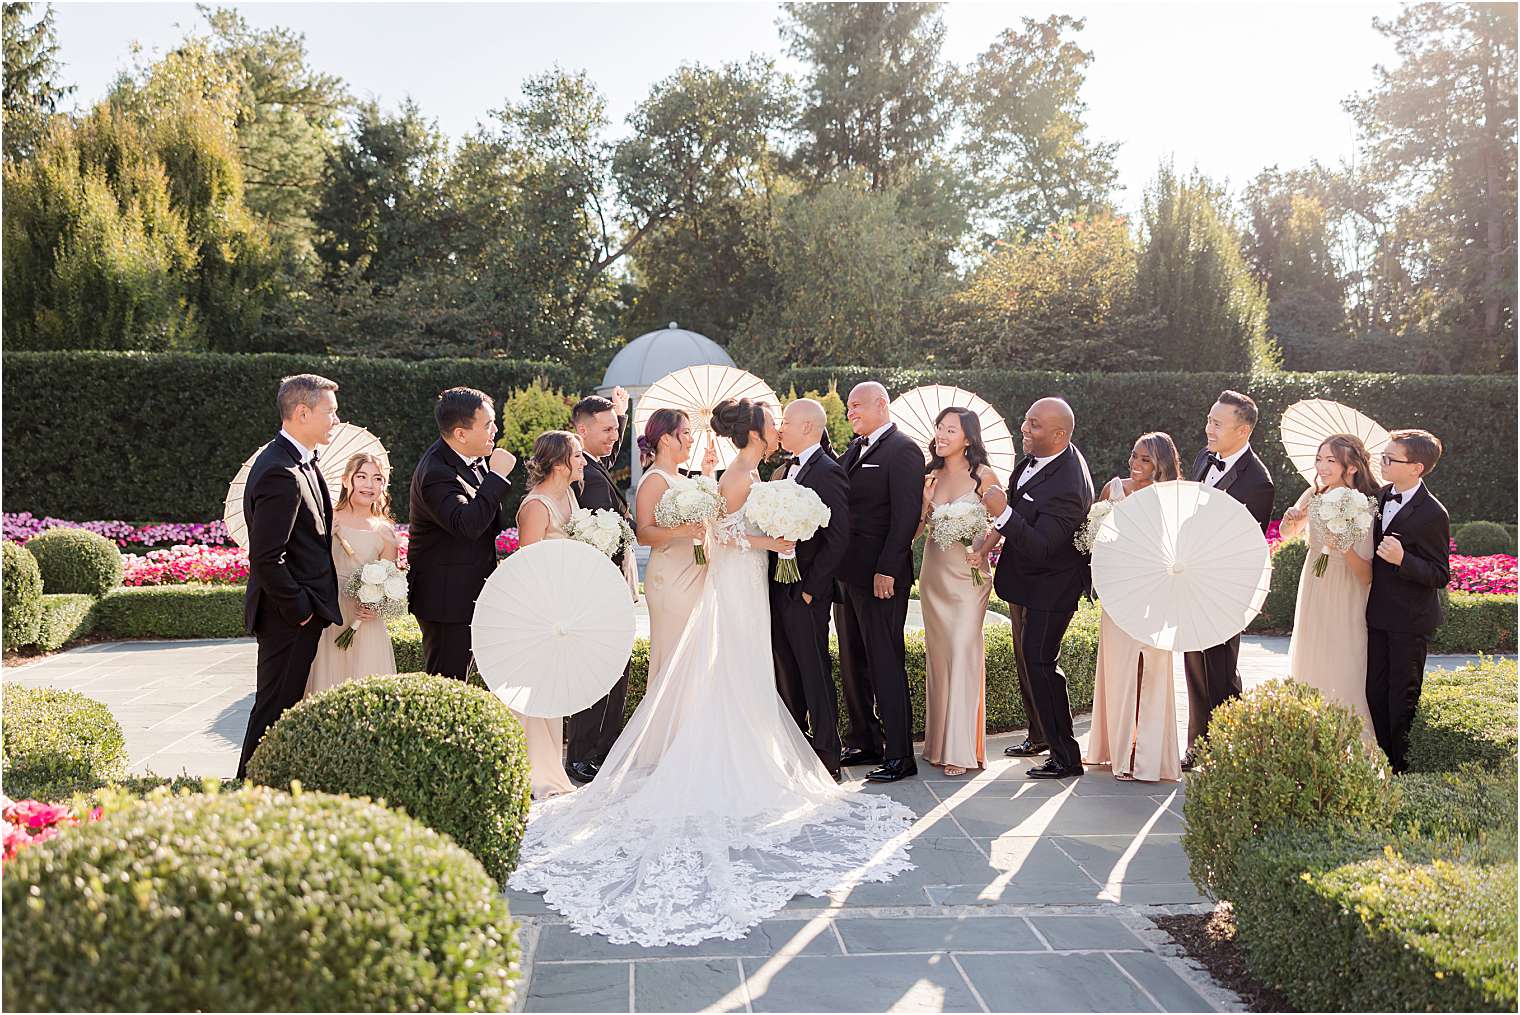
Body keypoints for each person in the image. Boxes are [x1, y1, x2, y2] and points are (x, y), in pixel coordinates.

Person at [509, 398, 914, 947]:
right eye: (770, 423)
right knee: (738, 669)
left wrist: (772, 539)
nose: (775, 430)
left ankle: (746, 752)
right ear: (754, 432)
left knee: (746, 671)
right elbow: (718, 534)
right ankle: (727, 761)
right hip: (740, 575)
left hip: (747, 580)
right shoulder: (741, 474)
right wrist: (770, 541)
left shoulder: (751, 470)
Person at [979, 397, 1094, 780]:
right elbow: (1023, 511)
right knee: (1031, 662)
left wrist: (1003, 512)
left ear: (1060, 434)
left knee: (1042, 664)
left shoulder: (1069, 483)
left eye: (1035, 424)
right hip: (1025, 581)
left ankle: (1066, 756)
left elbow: (1045, 546)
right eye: (1026, 420)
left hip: (1053, 586)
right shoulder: (1032, 459)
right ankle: (1041, 737)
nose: (1024, 429)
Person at [237, 374, 343, 778]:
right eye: (330, 412)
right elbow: (266, 556)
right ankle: (249, 788)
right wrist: (300, 609)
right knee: (273, 708)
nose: (335, 420)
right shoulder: (279, 470)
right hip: (287, 616)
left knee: (283, 706)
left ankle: (266, 787)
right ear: (302, 413)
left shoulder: (300, 460)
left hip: (299, 613)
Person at [836, 382, 925, 783]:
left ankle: (900, 755)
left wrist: (887, 568)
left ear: (880, 404)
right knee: (854, 660)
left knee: (885, 660)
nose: (850, 412)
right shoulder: (854, 449)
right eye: (848, 407)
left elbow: (905, 517)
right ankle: (865, 739)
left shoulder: (903, 450)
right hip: (848, 576)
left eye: (856, 405)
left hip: (880, 577)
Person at [1181, 390, 1274, 770]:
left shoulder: (1259, 482)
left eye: (1218, 424)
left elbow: (1245, 545)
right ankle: (1198, 744)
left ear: (1244, 429)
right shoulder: (1204, 459)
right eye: (1208, 420)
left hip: (1224, 588)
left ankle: (1226, 746)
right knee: (1194, 665)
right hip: (1192, 579)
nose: (1209, 429)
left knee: (1220, 669)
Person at [1084, 433, 1183, 783]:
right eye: (1133, 456)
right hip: (1117, 590)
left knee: (1150, 667)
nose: (1135, 465)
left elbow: (1177, 549)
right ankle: (1114, 747)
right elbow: (1095, 537)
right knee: (1119, 665)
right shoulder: (1113, 489)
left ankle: (1143, 749)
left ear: (1160, 465)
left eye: (1144, 460)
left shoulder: (1171, 498)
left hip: (1155, 590)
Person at [407, 388, 516, 680]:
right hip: (446, 601)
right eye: (488, 425)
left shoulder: (476, 459)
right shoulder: (436, 472)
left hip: (470, 594)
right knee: (446, 684)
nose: (496, 430)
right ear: (460, 433)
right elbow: (467, 525)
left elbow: (491, 523)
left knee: (461, 683)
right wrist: (498, 478)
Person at [1280, 435, 1379, 745]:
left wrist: (1344, 546)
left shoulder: (1362, 503)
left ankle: (1350, 743)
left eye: (1330, 461)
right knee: (1310, 654)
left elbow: (1366, 574)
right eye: (1319, 459)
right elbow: (1287, 533)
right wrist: (1292, 518)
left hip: (1345, 589)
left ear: (1351, 467)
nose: (1322, 466)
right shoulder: (1314, 493)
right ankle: (1310, 738)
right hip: (1314, 582)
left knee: (1342, 660)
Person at [771, 398, 851, 781]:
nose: (779, 428)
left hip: (805, 592)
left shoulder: (828, 472)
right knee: (787, 669)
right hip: (778, 589)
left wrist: (811, 589)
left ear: (807, 427)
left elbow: (838, 538)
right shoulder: (786, 470)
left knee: (814, 670)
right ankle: (796, 747)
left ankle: (827, 754)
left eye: (785, 421)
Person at [917, 407, 998, 778]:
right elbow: (918, 532)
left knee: (964, 652)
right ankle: (938, 742)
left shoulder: (983, 476)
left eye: (951, 429)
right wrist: (923, 504)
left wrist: (982, 550)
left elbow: (1003, 521)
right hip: (934, 574)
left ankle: (962, 749)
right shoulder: (930, 476)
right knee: (940, 658)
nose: (942, 434)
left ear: (968, 437)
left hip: (969, 578)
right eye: (939, 427)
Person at [1366, 429, 1450, 774]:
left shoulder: (1433, 513)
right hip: (1378, 615)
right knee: (1374, 695)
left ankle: (1403, 772)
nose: (1382, 463)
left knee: (1402, 699)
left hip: (1410, 622)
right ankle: (1384, 764)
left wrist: (1404, 559)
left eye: (1390, 459)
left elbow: (1440, 574)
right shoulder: (1379, 497)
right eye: (1382, 456)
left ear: (1416, 467)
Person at [564, 390, 633, 783]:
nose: (613, 436)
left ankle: (602, 750)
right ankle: (583, 754)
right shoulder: (585, 475)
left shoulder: (593, 464)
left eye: (614, 429)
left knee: (614, 670)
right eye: (605, 429)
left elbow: (609, 449)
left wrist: (620, 415)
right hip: (596, 587)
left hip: (610, 582)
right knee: (600, 671)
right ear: (581, 430)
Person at [512, 431, 584, 800]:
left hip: (563, 605)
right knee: (536, 691)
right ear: (559, 463)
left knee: (553, 691)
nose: (583, 461)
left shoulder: (569, 496)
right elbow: (528, 565)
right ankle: (531, 772)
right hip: (538, 610)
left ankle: (550, 767)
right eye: (577, 455)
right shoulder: (537, 507)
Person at [634, 409, 716, 694]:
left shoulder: (682, 478)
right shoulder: (654, 480)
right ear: (667, 439)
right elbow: (643, 533)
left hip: (693, 573)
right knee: (674, 653)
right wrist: (680, 532)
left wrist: (706, 474)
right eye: (685, 433)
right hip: (671, 579)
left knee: (693, 656)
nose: (691, 440)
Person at [305, 452, 400, 697]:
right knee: (328, 680)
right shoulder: (327, 519)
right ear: (346, 480)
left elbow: (392, 580)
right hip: (331, 611)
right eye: (362, 477)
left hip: (365, 620)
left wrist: (376, 605)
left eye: (377, 479)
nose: (370, 485)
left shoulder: (385, 531)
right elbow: (309, 565)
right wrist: (325, 536)